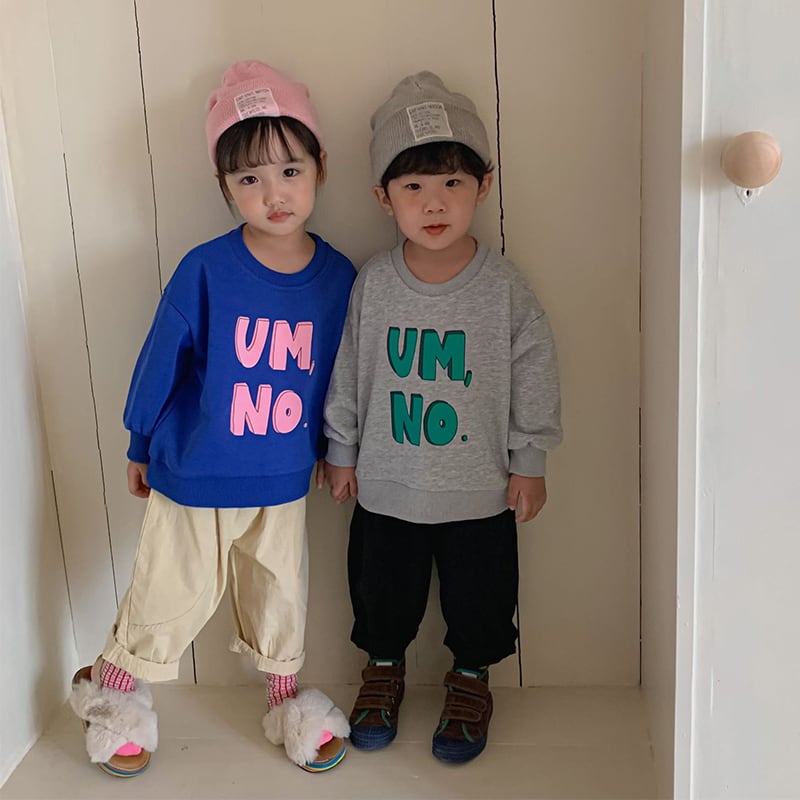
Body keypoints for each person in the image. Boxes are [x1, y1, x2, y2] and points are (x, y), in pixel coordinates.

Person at [69, 60, 355, 777]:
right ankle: (114, 689)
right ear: (225, 187)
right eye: (249, 178)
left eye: (289, 171)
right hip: (195, 469)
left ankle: (286, 701)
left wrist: (339, 449)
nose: (273, 193)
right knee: (170, 591)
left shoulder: (341, 279)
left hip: (284, 476)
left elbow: (345, 379)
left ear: (321, 167)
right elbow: (161, 357)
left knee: (279, 593)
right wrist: (140, 440)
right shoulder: (206, 268)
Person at [323, 71, 562, 765]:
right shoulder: (374, 283)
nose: (434, 202)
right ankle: (383, 671)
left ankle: (470, 680)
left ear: (483, 186)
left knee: (482, 597)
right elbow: (349, 368)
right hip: (387, 484)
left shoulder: (504, 288)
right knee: (380, 590)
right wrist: (342, 449)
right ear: (384, 197)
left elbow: (535, 373)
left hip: (479, 489)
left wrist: (529, 460)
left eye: (452, 182)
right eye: (414, 186)